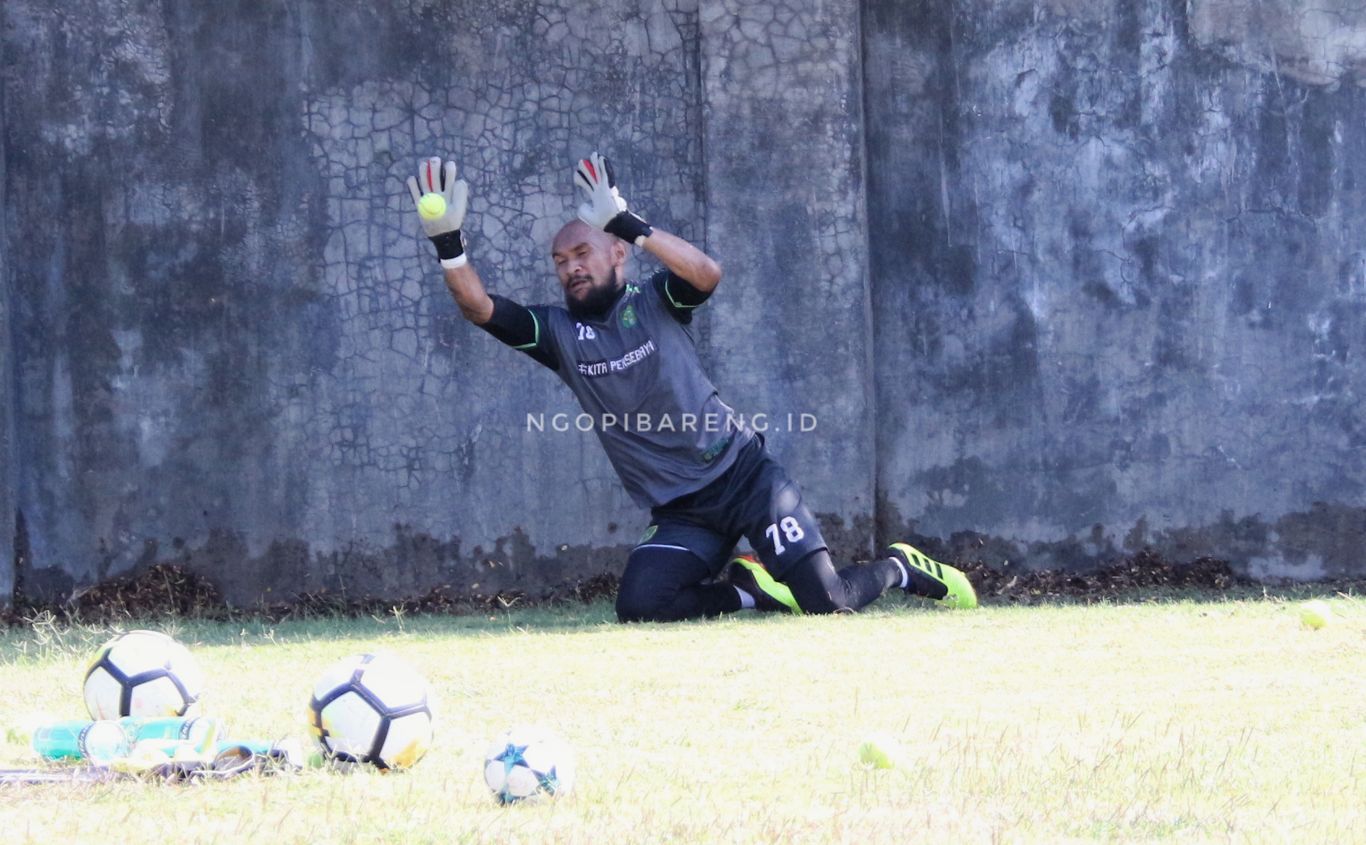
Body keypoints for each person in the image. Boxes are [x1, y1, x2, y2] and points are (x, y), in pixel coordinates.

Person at [405, 153, 978, 621]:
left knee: (828, 602)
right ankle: (751, 592)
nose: (571, 268)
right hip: (683, 511)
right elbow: (479, 308)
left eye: (583, 253)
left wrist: (627, 220)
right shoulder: (555, 333)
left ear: (616, 253)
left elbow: (706, 273)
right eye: (561, 261)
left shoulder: (653, 300)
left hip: (747, 480)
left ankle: (901, 568)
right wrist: (449, 246)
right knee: (641, 606)